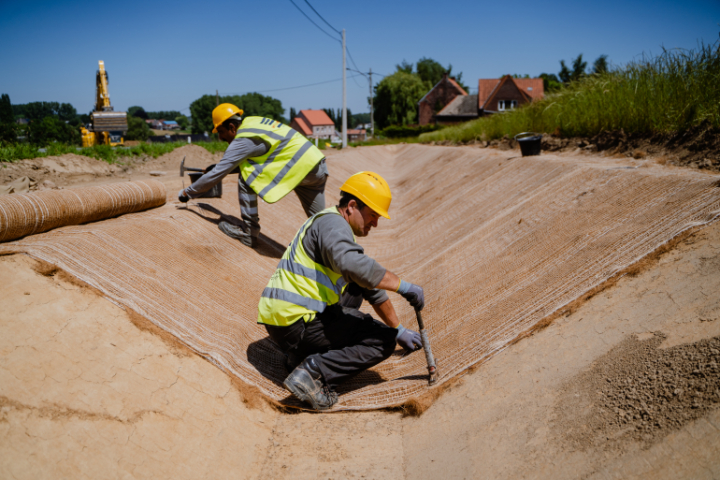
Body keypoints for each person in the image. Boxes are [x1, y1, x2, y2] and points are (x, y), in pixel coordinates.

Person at [257, 171, 426, 410]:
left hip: (285, 320)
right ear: (352, 206)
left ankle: (298, 359)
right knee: (382, 341)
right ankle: (313, 373)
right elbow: (353, 265)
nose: (375, 223)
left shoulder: (330, 223)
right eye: (372, 216)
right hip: (297, 321)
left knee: (362, 287)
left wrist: (398, 329)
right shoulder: (333, 225)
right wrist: (404, 287)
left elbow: (368, 283)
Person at [178, 103, 328, 248]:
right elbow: (242, 162)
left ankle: (249, 233)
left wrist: (187, 192)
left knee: (247, 177)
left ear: (232, 127)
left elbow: (217, 175)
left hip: (300, 169)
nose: (221, 138)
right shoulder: (254, 124)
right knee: (323, 224)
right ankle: (336, 253)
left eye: (221, 132)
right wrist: (215, 168)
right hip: (316, 165)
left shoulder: (242, 139)